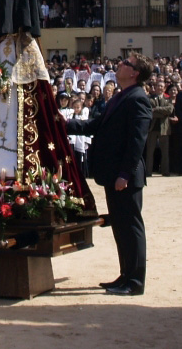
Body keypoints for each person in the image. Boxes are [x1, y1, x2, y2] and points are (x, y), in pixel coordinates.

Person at [66, 53, 153, 296]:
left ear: (134, 73)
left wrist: (125, 173)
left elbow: (137, 142)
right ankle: (125, 275)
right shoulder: (121, 96)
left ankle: (135, 282)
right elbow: (95, 125)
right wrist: (63, 124)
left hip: (125, 177)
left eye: (127, 63)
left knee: (131, 228)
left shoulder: (138, 99)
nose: (121, 64)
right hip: (113, 174)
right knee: (120, 228)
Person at [144, 80, 173, 177]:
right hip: (152, 128)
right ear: (155, 88)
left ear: (164, 88)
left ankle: (165, 171)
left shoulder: (168, 99)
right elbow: (149, 111)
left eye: (161, 86)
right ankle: (148, 171)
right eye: (158, 86)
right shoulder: (149, 99)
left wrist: (156, 109)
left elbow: (169, 110)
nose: (160, 88)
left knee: (165, 152)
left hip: (164, 128)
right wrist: (162, 112)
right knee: (150, 151)